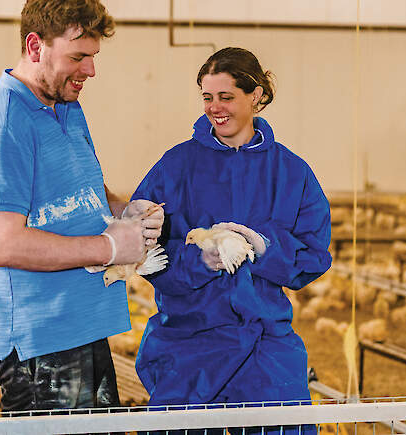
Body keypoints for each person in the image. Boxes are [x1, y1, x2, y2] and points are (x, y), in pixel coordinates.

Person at [0, 0, 164, 413]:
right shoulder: (4, 124)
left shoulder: (66, 106)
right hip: (39, 343)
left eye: (92, 57)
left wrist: (122, 210)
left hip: (78, 325)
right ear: (35, 46)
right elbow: (3, 243)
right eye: (78, 57)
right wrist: (110, 246)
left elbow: (83, 189)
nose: (90, 70)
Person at [131, 47, 332, 432]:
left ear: (255, 95)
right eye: (208, 97)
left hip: (264, 338)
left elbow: (314, 253)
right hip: (189, 338)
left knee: (286, 420)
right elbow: (145, 251)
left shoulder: (291, 172)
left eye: (226, 97)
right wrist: (199, 261)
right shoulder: (176, 166)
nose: (215, 108)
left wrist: (264, 246)